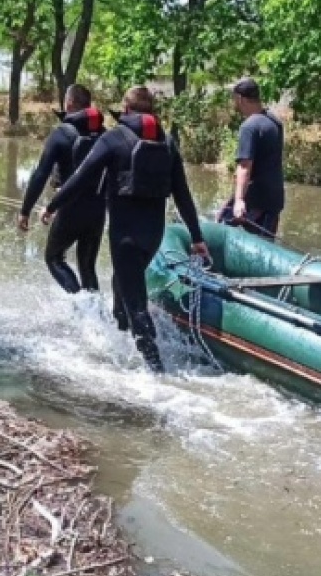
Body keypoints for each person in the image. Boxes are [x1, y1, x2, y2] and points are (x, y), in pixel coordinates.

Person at [42, 86, 209, 374]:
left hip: (125, 238)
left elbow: (81, 178)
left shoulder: (113, 138)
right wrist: (196, 237)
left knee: (136, 306)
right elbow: (183, 194)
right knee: (121, 285)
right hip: (153, 236)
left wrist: (52, 205)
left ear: (126, 109)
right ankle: (120, 342)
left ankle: (157, 373)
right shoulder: (168, 142)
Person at [18, 84, 106, 293]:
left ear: (69, 103)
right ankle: (96, 309)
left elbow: (40, 175)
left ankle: (80, 304)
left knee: (54, 258)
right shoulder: (105, 135)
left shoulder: (61, 133)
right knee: (87, 267)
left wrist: (25, 211)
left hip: (70, 207)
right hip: (98, 209)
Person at [217, 77, 285, 239]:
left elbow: (244, 167)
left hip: (254, 201)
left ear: (240, 98)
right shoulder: (275, 121)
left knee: (222, 227)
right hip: (274, 199)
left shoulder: (249, 127)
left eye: (234, 98)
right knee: (265, 244)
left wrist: (239, 200)